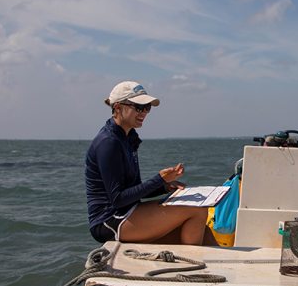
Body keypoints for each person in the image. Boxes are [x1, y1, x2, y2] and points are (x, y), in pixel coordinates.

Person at [85, 81, 212, 245]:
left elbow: (131, 191)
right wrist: (159, 179)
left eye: (147, 108)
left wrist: (164, 187)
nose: (144, 112)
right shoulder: (109, 142)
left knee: (205, 232)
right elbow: (118, 199)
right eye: (138, 107)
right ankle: (191, 267)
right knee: (197, 211)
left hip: (127, 211)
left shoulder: (127, 138)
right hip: (109, 220)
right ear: (117, 108)